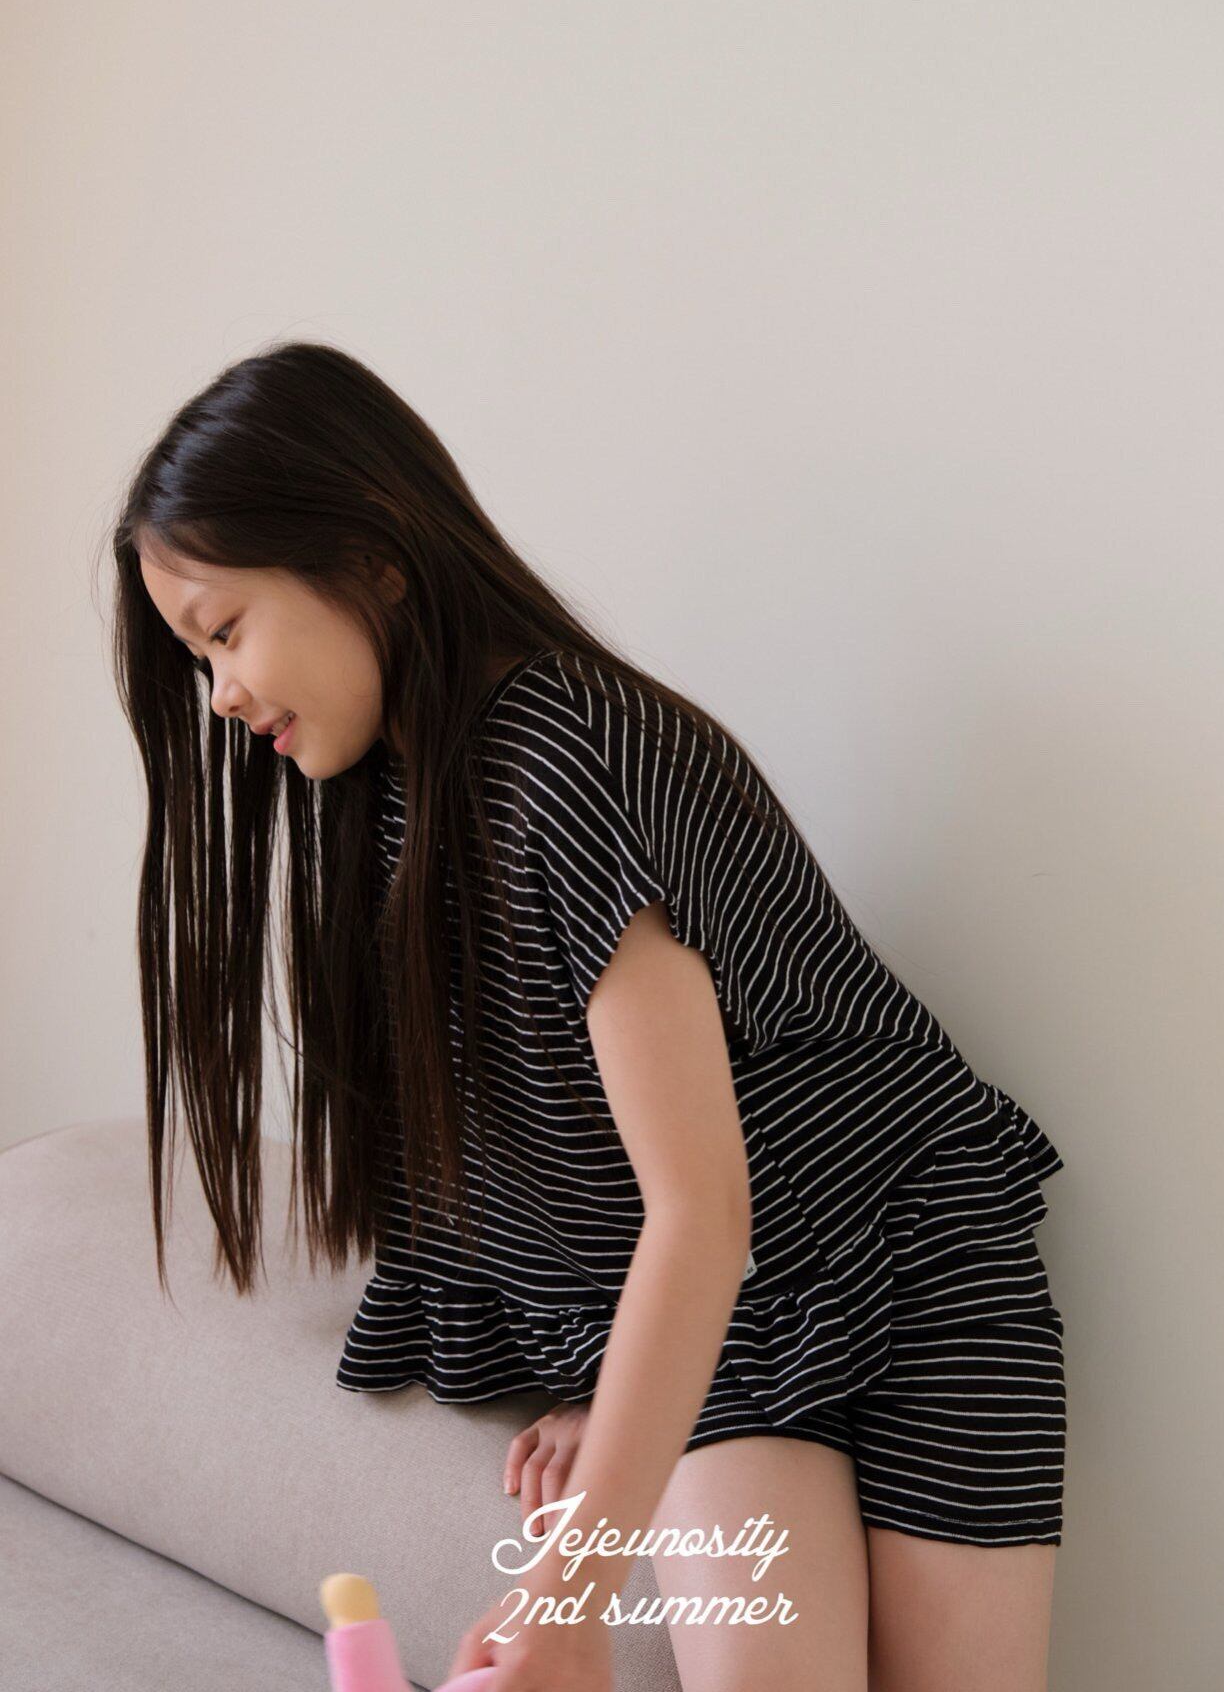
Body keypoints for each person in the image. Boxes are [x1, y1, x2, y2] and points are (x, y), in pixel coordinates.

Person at [110, 339, 1067, 1692]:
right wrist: (615, 1384)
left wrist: (569, 1592)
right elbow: (559, 1152)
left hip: (916, 1266)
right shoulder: (392, 804)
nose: (219, 695)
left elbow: (699, 1211)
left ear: (371, 555)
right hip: (730, 1331)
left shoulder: (570, 751)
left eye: (223, 632)